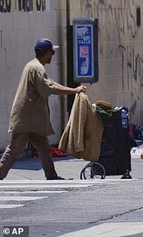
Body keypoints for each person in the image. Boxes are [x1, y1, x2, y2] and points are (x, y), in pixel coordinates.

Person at [0, 38, 87, 180]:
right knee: (15, 149)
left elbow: (51, 83)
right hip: (27, 118)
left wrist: (72, 90)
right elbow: (50, 88)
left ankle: (51, 176)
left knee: (44, 148)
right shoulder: (37, 68)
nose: (52, 55)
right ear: (46, 53)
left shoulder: (34, 66)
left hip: (33, 119)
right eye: (52, 52)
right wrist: (74, 90)